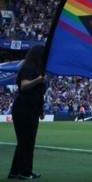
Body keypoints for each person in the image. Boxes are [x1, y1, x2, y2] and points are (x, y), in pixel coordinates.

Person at [8, 45, 46, 180]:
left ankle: (15, 171)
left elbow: (38, 93)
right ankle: (25, 172)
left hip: (30, 108)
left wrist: (40, 110)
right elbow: (24, 86)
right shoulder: (28, 68)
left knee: (24, 142)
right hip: (24, 108)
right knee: (27, 142)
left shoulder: (34, 68)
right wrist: (38, 80)